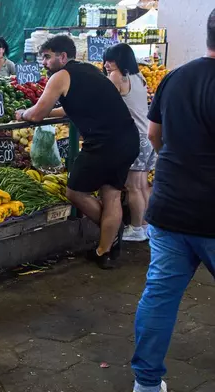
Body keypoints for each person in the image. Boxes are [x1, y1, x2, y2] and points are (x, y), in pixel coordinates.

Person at [131, 9, 215, 392]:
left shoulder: (176, 77)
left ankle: (146, 384)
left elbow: (154, 136)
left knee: (159, 296)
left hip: (169, 206)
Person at [14, 35, 139, 269]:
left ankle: (110, 234)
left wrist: (23, 114)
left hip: (104, 143)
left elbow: (37, 113)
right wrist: (40, 112)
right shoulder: (88, 71)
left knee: (74, 192)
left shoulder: (60, 76)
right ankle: (105, 249)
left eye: (47, 57)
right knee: (111, 194)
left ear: (63, 57)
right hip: (127, 138)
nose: (44, 62)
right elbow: (67, 110)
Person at [103, 43, 155, 243]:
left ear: (122, 61)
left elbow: (106, 103)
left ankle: (135, 228)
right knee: (142, 185)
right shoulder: (139, 77)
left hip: (133, 137)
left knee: (132, 186)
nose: (108, 65)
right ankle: (144, 225)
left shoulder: (118, 77)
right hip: (146, 134)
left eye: (112, 61)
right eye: (106, 60)